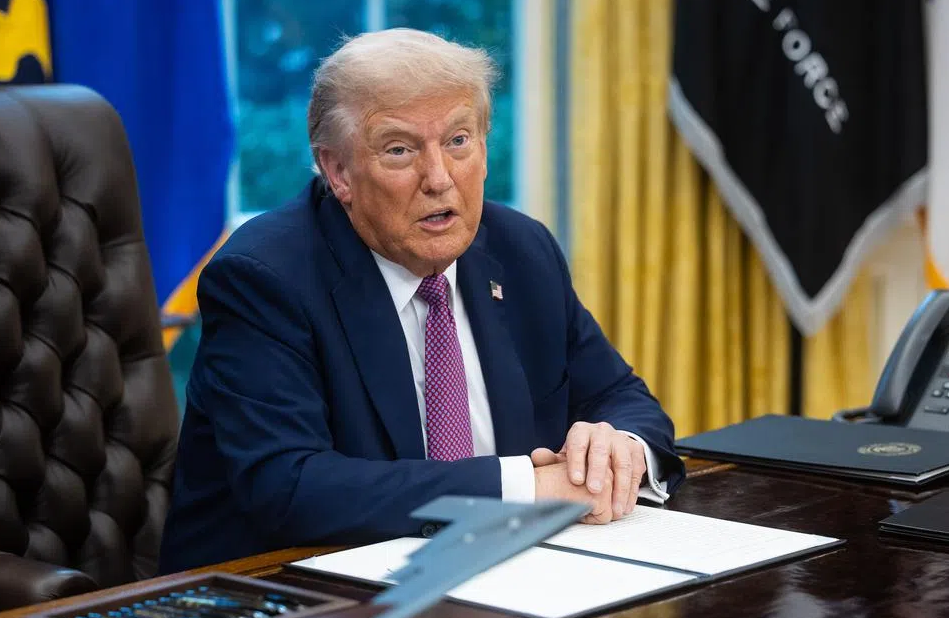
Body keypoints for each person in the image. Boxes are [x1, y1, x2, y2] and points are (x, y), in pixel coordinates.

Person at [158, 28, 685, 573]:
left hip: (502, 581)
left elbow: (622, 395)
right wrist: (531, 486)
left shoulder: (521, 250)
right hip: (274, 607)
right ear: (338, 171)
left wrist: (618, 449)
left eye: (458, 140)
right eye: (400, 150)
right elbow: (291, 487)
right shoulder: (265, 278)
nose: (439, 179)